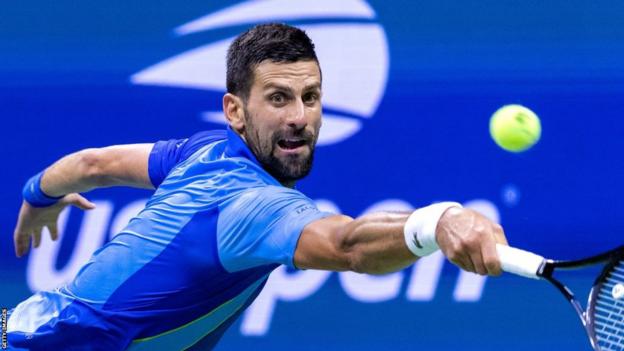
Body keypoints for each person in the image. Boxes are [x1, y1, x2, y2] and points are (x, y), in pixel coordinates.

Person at [8, 23, 508, 350]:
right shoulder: (253, 206)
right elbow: (348, 245)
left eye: (310, 98)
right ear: (236, 111)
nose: (299, 118)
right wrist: (437, 221)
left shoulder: (202, 151)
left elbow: (95, 164)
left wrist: (37, 195)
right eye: (277, 98)